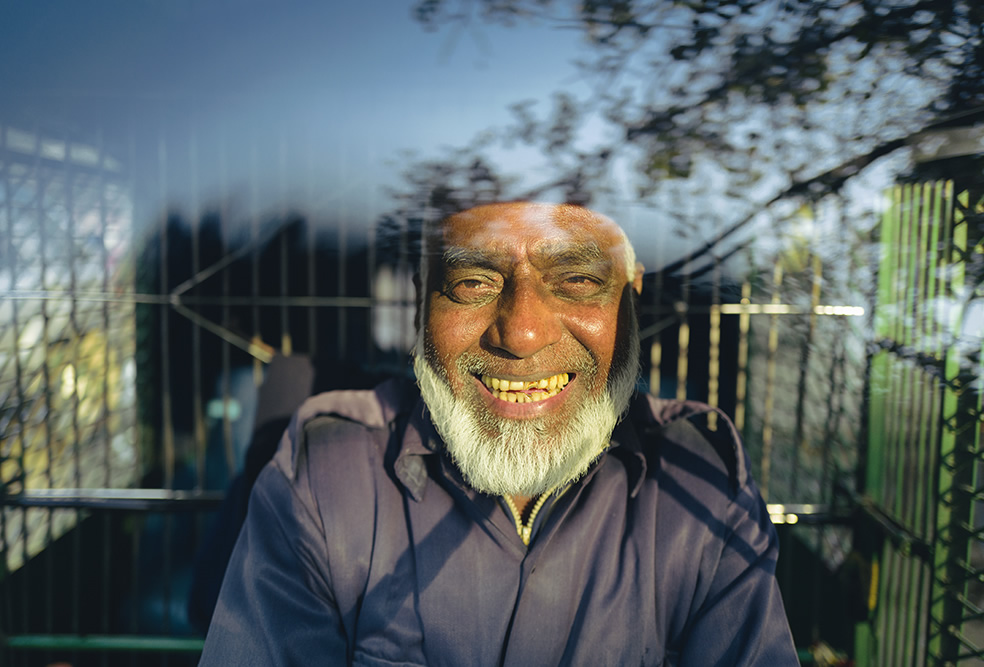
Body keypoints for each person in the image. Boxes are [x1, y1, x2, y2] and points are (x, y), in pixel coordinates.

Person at [199, 202, 799, 665]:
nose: (522, 333)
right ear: (421, 306)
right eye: (472, 284)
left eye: (578, 280)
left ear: (631, 301)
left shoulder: (701, 484)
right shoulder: (325, 477)